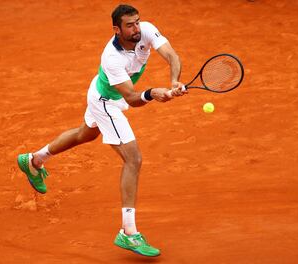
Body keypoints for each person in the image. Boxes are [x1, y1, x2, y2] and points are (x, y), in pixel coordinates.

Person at [17, 4, 186, 257]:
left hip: (103, 92)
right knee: (133, 159)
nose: (136, 28)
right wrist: (152, 93)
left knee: (86, 134)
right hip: (106, 101)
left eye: (137, 22)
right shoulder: (112, 57)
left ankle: (33, 160)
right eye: (130, 25)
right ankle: (128, 233)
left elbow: (172, 55)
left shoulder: (147, 31)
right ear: (116, 29)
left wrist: (173, 81)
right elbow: (131, 98)